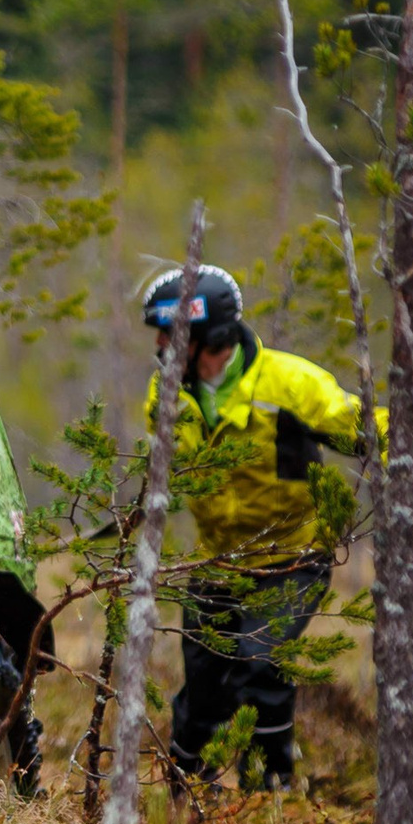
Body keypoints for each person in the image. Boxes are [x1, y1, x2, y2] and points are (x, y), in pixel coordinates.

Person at [139, 264, 384, 791]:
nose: (160, 344)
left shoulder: (290, 384)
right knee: (204, 683)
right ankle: (185, 789)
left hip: (293, 557)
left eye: (170, 334)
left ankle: (269, 790)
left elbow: (364, 429)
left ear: (208, 336)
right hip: (217, 560)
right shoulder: (165, 395)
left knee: (260, 664)